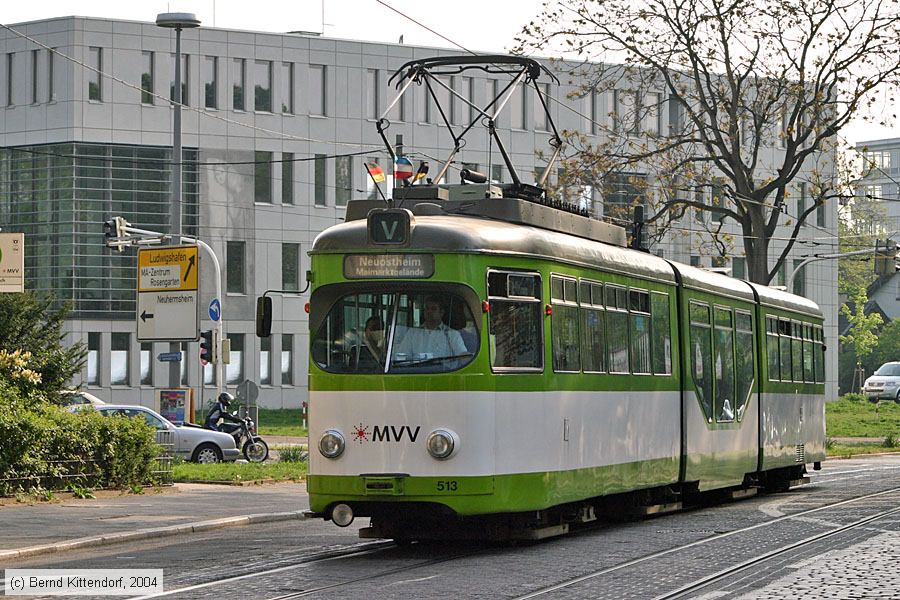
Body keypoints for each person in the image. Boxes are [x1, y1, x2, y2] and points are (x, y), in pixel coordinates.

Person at [393, 296, 467, 361]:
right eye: (427, 308)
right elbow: (401, 356)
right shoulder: (412, 333)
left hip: (444, 374)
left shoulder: (452, 334)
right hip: (417, 373)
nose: (429, 312)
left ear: (441, 312)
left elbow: (463, 356)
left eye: (433, 309)